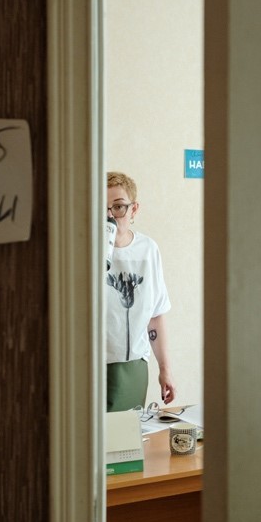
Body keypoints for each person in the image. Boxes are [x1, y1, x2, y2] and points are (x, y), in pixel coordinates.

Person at [106, 171, 176, 411]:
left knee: (126, 443)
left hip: (133, 366)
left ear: (133, 210)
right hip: (89, 365)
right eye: (102, 208)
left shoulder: (147, 250)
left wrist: (165, 370)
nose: (110, 216)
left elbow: (155, 316)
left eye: (118, 207)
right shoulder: (81, 248)